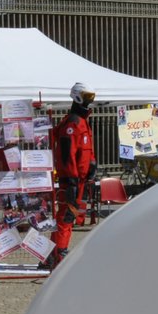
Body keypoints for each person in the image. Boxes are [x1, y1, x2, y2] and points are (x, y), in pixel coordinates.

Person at [48, 81, 97, 268]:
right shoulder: (72, 123)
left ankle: (53, 253)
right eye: (87, 97)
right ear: (77, 96)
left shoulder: (82, 121)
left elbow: (85, 149)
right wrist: (71, 178)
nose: (90, 101)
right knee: (66, 216)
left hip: (80, 179)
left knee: (70, 214)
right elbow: (66, 154)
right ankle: (59, 253)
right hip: (72, 180)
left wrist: (92, 164)